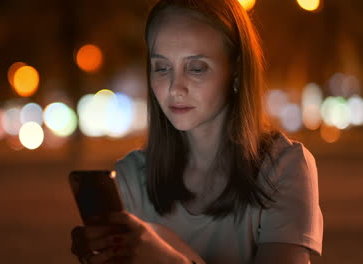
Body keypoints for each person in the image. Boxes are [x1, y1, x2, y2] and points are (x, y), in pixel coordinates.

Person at [70, 0, 323, 263]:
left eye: (196, 68)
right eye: (162, 68)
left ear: (235, 70)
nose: (175, 88)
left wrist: (170, 258)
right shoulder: (130, 178)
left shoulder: (283, 168)